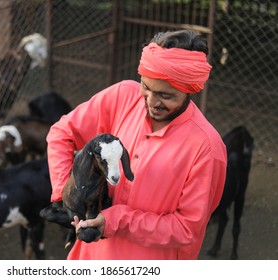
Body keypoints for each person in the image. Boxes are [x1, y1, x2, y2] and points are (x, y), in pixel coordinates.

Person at [46, 29, 227, 260]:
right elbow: (62, 133)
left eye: (165, 96)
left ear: (189, 89)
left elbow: (186, 228)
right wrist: (67, 194)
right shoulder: (123, 96)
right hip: (90, 257)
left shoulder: (207, 148)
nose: (151, 102)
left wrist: (115, 221)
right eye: (146, 87)